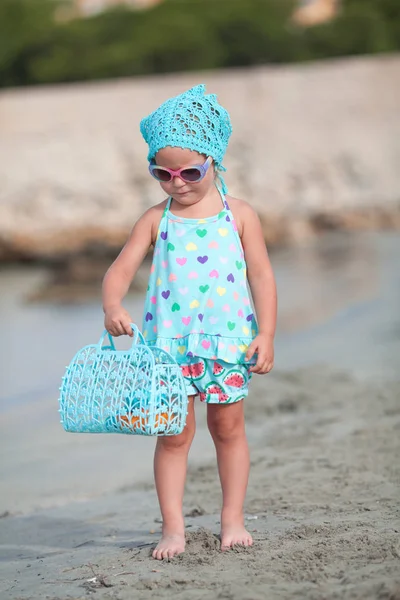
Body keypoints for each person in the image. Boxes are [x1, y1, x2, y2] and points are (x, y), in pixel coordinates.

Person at [102, 84, 277, 560]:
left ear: (214, 160)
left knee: (229, 429)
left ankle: (233, 520)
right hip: (169, 350)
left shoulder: (238, 215)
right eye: (163, 173)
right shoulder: (156, 220)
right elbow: (120, 268)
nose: (177, 183)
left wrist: (266, 333)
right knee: (174, 436)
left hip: (227, 344)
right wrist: (113, 305)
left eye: (190, 172)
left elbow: (261, 274)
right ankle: (173, 528)